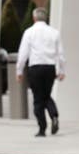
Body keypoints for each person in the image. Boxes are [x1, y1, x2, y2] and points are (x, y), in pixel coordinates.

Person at [16, 8, 65, 137]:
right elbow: (60, 54)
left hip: (35, 68)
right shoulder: (54, 33)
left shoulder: (29, 32)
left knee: (38, 98)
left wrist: (19, 70)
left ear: (34, 18)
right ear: (46, 18)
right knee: (46, 95)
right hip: (50, 68)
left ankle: (42, 128)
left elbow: (23, 54)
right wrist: (61, 70)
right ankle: (54, 116)